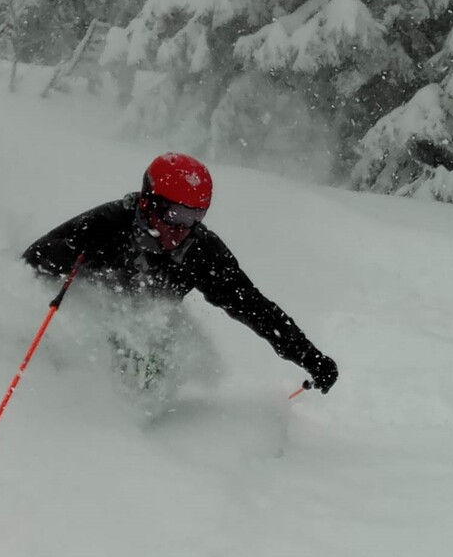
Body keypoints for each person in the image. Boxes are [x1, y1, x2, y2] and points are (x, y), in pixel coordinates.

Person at [22, 153, 338, 395]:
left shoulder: (200, 250)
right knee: (98, 346)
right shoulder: (106, 226)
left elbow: (253, 307)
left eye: (195, 216)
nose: (182, 228)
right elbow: (29, 264)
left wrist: (309, 357)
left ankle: (137, 424)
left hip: (146, 327)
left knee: (153, 346)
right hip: (86, 319)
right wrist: (60, 256)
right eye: (176, 214)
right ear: (148, 203)